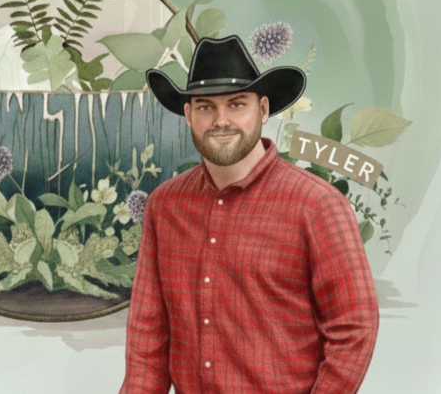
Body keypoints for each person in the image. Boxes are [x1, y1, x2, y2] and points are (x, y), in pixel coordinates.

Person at [120, 36, 378, 394]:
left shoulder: (318, 206)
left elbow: (354, 329)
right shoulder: (165, 206)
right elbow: (148, 334)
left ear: (263, 109)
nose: (221, 120)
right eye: (206, 107)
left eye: (237, 104)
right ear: (189, 114)